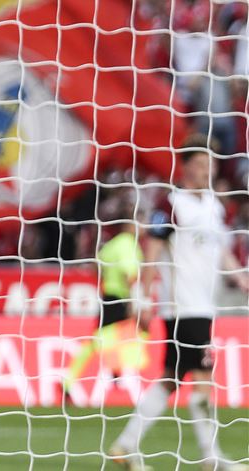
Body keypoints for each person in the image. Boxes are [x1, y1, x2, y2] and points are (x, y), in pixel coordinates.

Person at [109, 136, 249, 471]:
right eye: (200, 164)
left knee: (172, 377)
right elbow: (152, 252)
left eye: (211, 164)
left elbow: (223, 251)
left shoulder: (213, 207)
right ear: (185, 166)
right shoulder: (170, 204)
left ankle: (125, 445)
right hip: (184, 306)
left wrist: (242, 278)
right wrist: (142, 298)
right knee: (202, 375)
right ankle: (210, 456)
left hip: (204, 303)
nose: (207, 170)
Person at [64, 207, 148, 397]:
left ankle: (114, 374)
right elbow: (131, 275)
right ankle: (114, 377)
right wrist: (136, 302)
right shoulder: (128, 244)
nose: (144, 227)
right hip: (121, 298)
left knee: (106, 339)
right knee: (139, 332)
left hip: (108, 296)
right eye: (141, 221)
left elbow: (96, 266)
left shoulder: (111, 245)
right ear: (130, 225)